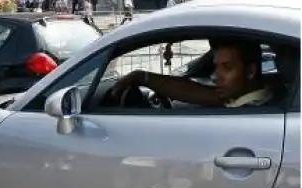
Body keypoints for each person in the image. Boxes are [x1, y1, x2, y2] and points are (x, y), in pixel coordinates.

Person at [111, 40, 273, 107]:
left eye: (227, 67)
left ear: (251, 71)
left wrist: (141, 77)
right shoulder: (261, 93)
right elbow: (205, 94)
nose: (215, 76)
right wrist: (142, 77)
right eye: (215, 67)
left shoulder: (247, 109)